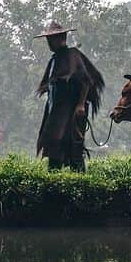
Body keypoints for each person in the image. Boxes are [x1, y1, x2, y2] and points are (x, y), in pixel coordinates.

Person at [35, 22, 105, 170]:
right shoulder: (54, 60)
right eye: (48, 39)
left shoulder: (72, 55)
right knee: (54, 146)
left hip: (72, 111)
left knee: (74, 149)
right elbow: (50, 85)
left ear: (61, 38)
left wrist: (80, 105)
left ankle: (79, 184)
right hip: (56, 113)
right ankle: (52, 183)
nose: (49, 42)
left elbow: (86, 80)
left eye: (51, 39)